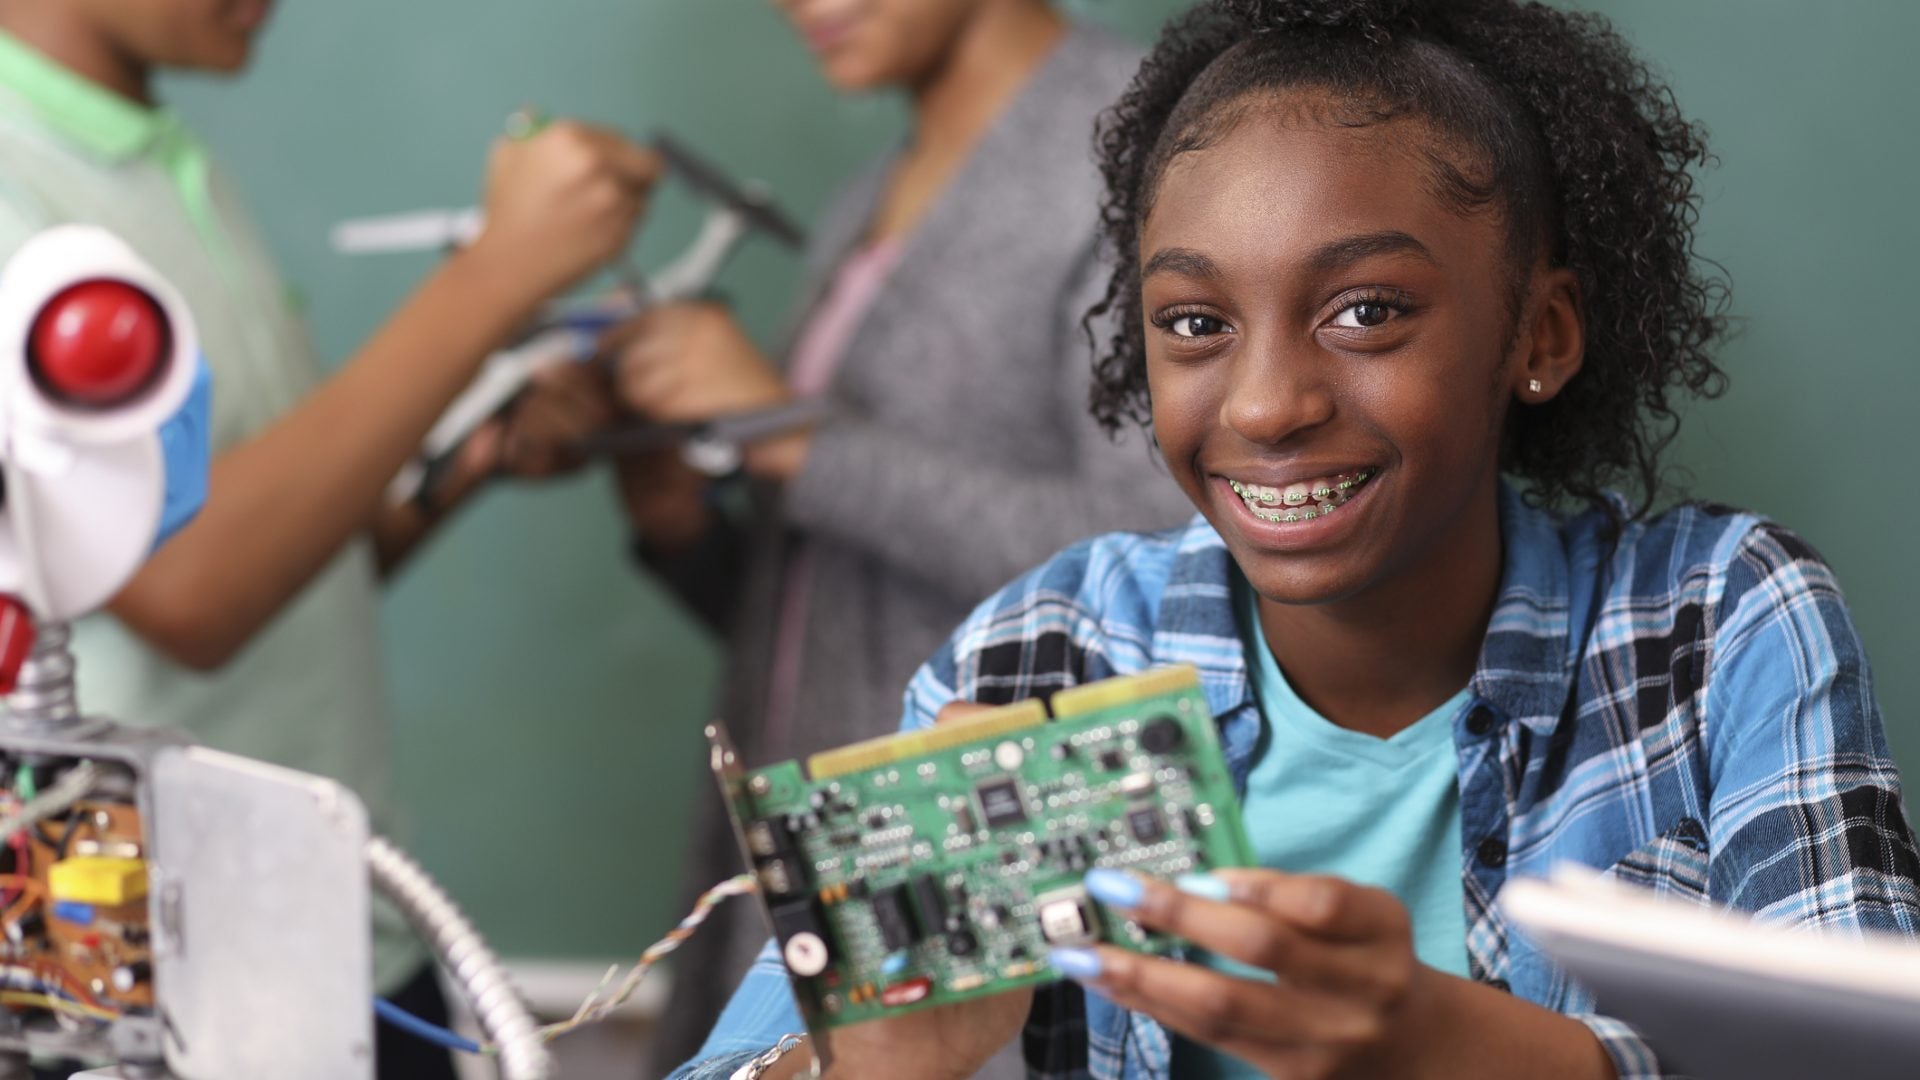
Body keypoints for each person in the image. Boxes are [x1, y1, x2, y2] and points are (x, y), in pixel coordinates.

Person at [670, 0, 1920, 1077]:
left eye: (1366, 312)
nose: (1267, 405)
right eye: (1196, 323)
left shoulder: (1720, 623)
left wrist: (1453, 1049)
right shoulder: (1046, 657)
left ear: (1540, 334)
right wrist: (867, 1061)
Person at [0, 2, 656, 1076]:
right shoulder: (16, 186)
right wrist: (496, 272)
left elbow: (283, 569)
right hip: (158, 993)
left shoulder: (166, 158)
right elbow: (190, 590)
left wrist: (464, 465)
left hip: (346, 924)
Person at [613, 1, 1193, 1071]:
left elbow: (1160, 555)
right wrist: (679, 522)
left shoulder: (1139, 153)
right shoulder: (868, 200)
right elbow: (833, 607)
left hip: (983, 881)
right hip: (816, 864)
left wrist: (799, 441)